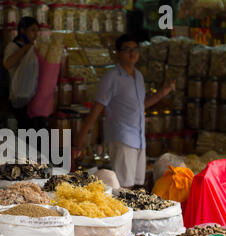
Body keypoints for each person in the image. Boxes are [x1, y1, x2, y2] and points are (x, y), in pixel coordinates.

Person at [72, 34, 176, 189]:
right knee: (122, 187)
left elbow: (140, 105)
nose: (132, 53)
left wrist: (162, 93)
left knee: (136, 185)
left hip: (139, 138)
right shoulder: (111, 77)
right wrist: (80, 139)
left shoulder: (138, 76)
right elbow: (97, 108)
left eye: (135, 49)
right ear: (117, 53)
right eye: (127, 49)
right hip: (122, 138)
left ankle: (134, 214)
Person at [3, 17, 40, 130]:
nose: (36, 34)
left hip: (30, 96)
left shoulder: (32, 48)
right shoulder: (13, 46)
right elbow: (7, 64)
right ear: (22, 31)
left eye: (37, 31)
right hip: (18, 96)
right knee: (24, 130)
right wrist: (24, 49)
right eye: (32, 30)